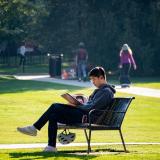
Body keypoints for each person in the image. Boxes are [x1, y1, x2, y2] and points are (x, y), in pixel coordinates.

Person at [17, 66, 116, 152]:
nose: (93, 82)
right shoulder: (101, 90)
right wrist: (78, 102)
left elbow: (91, 107)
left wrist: (77, 105)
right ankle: (51, 147)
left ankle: (34, 128)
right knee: (53, 116)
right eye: (91, 79)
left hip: (86, 117)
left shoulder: (106, 92)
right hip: (83, 114)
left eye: (94, 79)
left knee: (55, 106)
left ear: (101, 77)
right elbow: (90, 105)